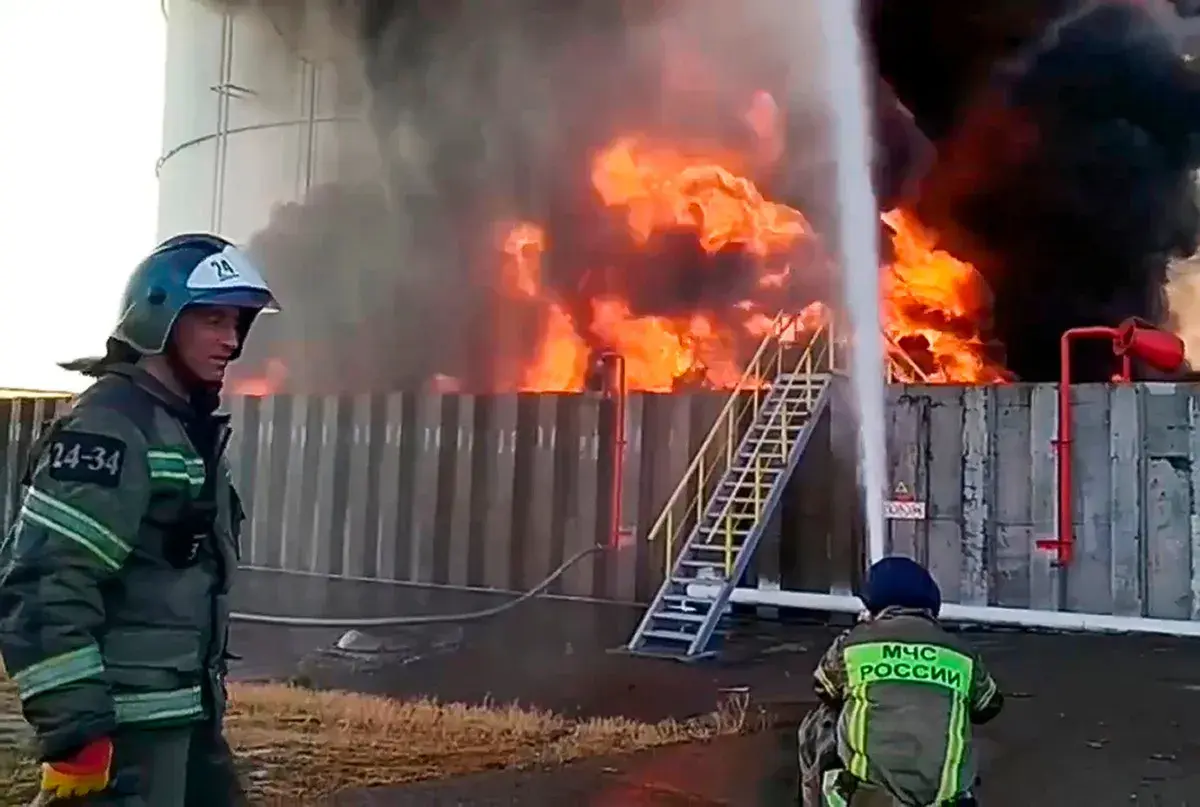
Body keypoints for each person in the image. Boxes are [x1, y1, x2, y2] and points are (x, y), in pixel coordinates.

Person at [0, 234, 279, 805]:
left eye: (238, 324)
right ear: (159, 317)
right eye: (212, 320)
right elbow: (45, 584)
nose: (231, 341)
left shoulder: (178, 427)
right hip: (122, 730)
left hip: (183, 718)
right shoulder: (110, 429)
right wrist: (78, 734)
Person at [797, 556, 1004, 806]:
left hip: (869, 800)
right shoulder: (962, 654)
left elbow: (824, 688)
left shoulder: (852, 644)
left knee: (820, 721)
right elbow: (989, 706)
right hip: (945, 802)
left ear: (874, 606)